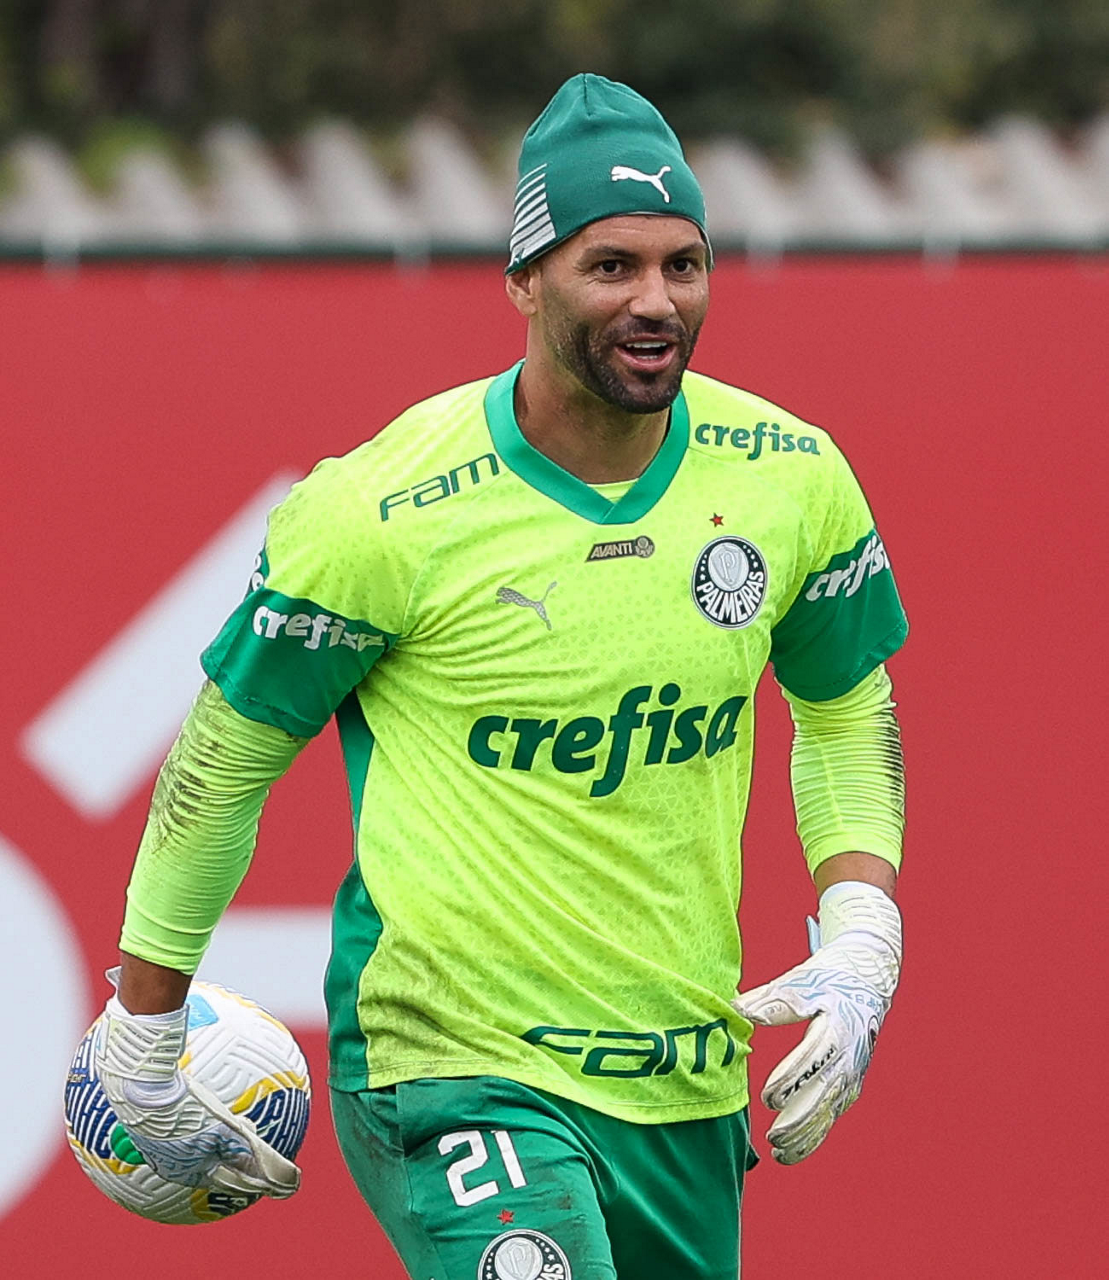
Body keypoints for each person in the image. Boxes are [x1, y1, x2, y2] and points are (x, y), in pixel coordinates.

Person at [94, 74, 907, 1279]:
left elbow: (843, 710)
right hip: (450, 1063)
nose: (655, 300)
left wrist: (860, 928)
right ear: (525, 278)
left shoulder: (791, 476)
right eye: (610, 265)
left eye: (682, 265)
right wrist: (145, 1022)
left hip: (682, 1077)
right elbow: (224, 761)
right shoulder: (378, 510)